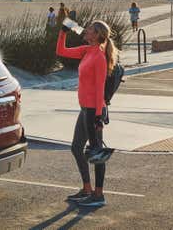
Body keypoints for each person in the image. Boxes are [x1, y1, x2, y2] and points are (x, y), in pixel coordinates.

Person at [56, 20, 118, 207]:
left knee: (96, 151)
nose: (86, 30)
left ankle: (98, 195)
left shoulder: (99, 56)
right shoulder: (86, 50)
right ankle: (87, 189)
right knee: (77, 148)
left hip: (94, 111)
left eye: (90, 29)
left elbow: (99, 88)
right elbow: (61, 51)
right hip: (85, 109)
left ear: (97, 35)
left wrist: (99, 116)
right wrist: (63, 32)